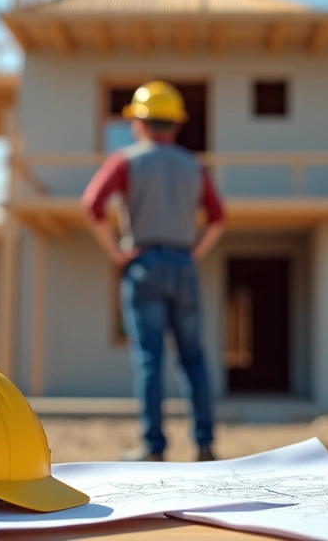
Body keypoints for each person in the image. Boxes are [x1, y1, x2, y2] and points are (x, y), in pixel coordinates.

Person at [81, 80, 226, 462]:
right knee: (194, 358)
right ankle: (206, 444)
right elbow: (219, 218)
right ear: (175, 125)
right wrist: (194, 252)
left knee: (150, 360)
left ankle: (154, 446)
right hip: (183, 265)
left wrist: (116, 252)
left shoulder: (126, 160)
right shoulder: (194, 165)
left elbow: (92, 205)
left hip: (144, 263)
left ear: (139, 122)